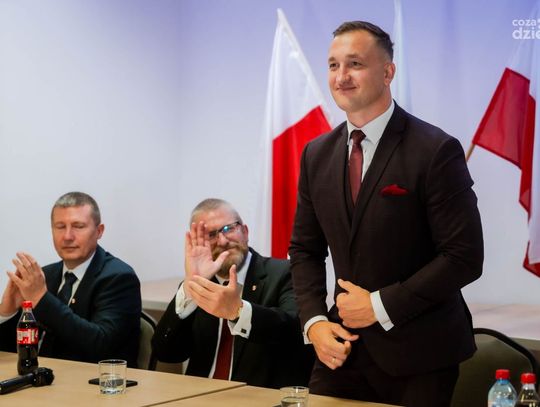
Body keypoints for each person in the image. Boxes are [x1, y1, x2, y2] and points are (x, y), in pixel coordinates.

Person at [289, 21, 484, 407]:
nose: (341, 76)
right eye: (333, 65)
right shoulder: (316, 154)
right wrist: (314, 323)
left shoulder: (435, 150)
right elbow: (304, 249)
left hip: (421, 353)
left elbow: (464, 256)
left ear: (388, 72)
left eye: (355, 64)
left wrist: (379, 306)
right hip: (342, 349)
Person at [152, 198, 313, 388]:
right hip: (199, 396)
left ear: (245, 231)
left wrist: (239, 312)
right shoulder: (198, 286)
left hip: (258, 397)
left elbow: (295, 333)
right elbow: (166, 353)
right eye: (211, 235)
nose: (223, 241)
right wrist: (190, 288)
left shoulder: (286, 273)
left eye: (228, 229)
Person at [0, 192, 141, 367]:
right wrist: (6, 313)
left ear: (99, 231)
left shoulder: (119, 277)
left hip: (94, 380)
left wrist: (41, 298)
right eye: (60, 227)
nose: (67, 236)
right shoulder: (46, 275)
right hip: (44, 377)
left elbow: (102, 346)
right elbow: (12, 352)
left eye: (78, 226)